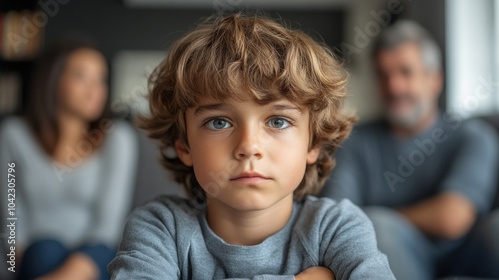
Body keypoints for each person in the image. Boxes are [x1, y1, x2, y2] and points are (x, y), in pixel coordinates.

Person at [108, 13, 395, 280]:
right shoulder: (159, 227)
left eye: (278, 121)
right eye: (219, 122)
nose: (248, 147)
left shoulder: (337, 227)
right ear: (183, 145)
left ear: (314, 143)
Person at [321, 20, 499, 280]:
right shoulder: (353, 141)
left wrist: (374, 213)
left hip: (468, 255)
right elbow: (337, 216)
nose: (395, 87)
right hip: (392, 255)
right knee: (379, 228)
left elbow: (452, 218)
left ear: (434, 79)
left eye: (406, 72)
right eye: (384, 75)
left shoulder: (473, 136)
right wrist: (379, 220)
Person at [0, 41, 138, 280]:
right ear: (54, 80)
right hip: (35, 254)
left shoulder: (118, 138)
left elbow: (108, 226)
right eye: (81, 76)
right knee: (46, 249)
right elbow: (12, 209)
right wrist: (14, 262)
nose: (95, 89)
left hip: (96, 254)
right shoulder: (14, 135)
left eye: (101, 79)